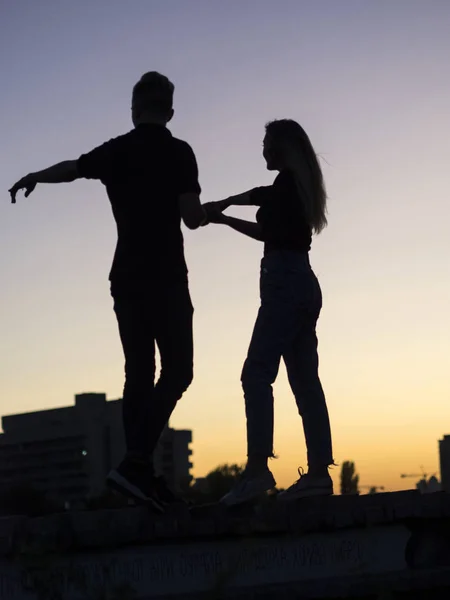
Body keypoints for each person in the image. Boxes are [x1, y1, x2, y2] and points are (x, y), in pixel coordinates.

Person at [9, 72, 206, 512]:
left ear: (134, 110)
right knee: (177, 372)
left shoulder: (118, 149)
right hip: (168, 277)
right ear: (170, 111)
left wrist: (35, 175)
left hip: (127, 277)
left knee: (138, 371)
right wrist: (215, 211)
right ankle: (136, 463)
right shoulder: (180, 153)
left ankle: (139, 472)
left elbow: (72, 170)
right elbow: (191, 218)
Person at [203, 119, 334, 506]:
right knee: (306, 382)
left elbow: (266, 230)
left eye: (265, 143)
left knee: (256, 373)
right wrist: (226, 206)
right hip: (304, 283)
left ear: (281, 147)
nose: (262, 149)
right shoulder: (296, 185)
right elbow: (259, 195)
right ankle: (318, 474)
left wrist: (223, 216)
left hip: (283, 283)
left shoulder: (285, 188)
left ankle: (258, 471)